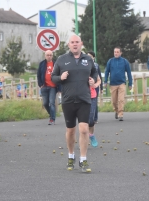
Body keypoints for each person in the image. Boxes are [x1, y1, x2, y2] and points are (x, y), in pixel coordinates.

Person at [51, 35, 97, 173]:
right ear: (69, 45)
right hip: (68, 100)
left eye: (77, 42)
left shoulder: (88, 59)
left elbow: (94, 74)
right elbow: (53, 77)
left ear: (81, 44)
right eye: (72, 42)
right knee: (71, 131)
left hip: (84, 99)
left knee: (84, 129)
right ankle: (71, 156)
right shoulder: (62, 59)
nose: (75, 44)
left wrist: (92, 81)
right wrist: (61, 78)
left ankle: (83, 159)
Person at [104, 47, 132, 121]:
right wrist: (105, 81)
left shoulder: (124, 61)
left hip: (121, 83)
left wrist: (130, 83)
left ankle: (120, 114)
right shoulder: (110, 61)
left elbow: (129, 72)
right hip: (113, 84)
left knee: (121, 99)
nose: (116, 53)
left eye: (117, 52)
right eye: (115, 52)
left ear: (120, 53)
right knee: (114, 101)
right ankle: (116, 111)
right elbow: (107, 72)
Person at [37, 50, 60, 125]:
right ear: (45, 56)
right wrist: (40, 84)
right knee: (45, 103)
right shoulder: (42, 64)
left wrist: (59, 87)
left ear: (52, 56)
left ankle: (52, 119)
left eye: (50, 55)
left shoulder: (55, 64)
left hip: (53, 87)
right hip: (44, 86)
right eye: (47, 55)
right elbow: (39, 74)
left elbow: (59, 74)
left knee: (52, 102)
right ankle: (52, 114)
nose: (49, 56)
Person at [87, 51, 102, 147]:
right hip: (81, 96)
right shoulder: (79, 68)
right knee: (83, 121)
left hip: (92, 95)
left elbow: (99, 79)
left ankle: (91, 135)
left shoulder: (94, 68)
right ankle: (83, 139)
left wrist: (95, 84)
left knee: (90, 120)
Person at [87, 51, 103, 124]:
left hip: (94, 86)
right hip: (86, 88)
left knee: (94, 102)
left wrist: (100, 87)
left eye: (90, 56)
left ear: (93, 57)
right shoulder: (84, 65)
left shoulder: (96, 65)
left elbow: (99, 77)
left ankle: (94, 118)